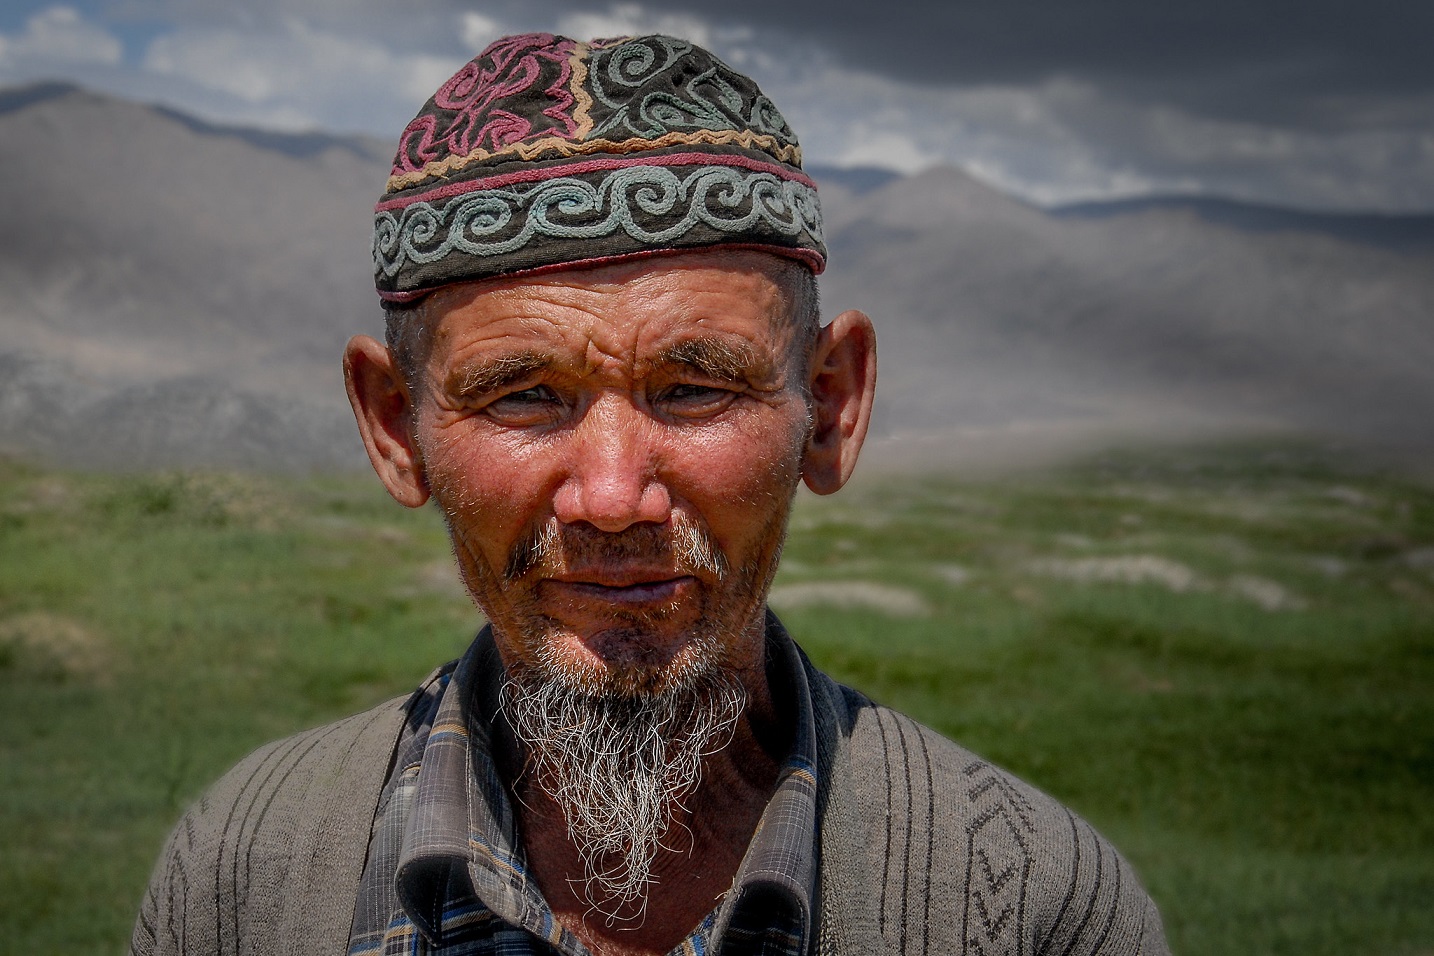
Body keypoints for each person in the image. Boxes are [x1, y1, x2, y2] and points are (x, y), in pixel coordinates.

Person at [131, 32, 1168, 956]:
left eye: (695, 388)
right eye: (524, 396)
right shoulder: (243, 875)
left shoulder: (1037, 907)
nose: (614, 495)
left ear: (833, 403)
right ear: (397, 427)